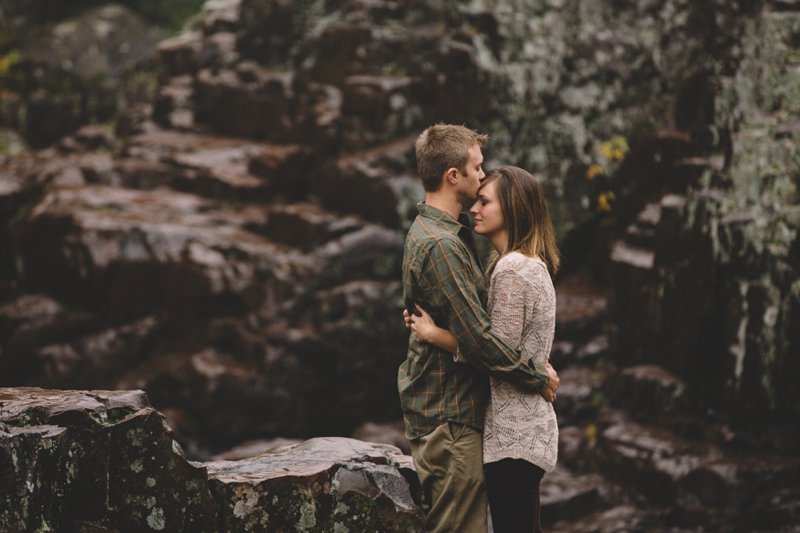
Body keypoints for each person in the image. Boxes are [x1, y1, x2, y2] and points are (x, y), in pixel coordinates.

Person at [399, 124, 559, 533]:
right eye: (477, 167)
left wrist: (436, 334)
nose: (481, 175)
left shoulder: (460, 244)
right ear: (454, 175)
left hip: (488, 424)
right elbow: (483, 341)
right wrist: (537, 373)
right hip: (453, 418)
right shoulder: (446, 245)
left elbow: (485, 338)